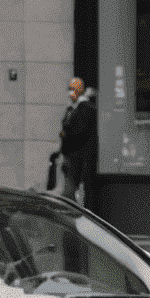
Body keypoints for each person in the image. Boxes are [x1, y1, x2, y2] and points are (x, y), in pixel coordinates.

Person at [56, 77, 97, 206]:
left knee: (69, 194)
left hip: (78, 158)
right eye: (69, 89)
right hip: (73, 158)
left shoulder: (85, 108)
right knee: (69, 192)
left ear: (80, 91)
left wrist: (65, 136)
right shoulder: (73, 109)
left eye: (73, 89)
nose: (70, 92)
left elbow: (78, 133)